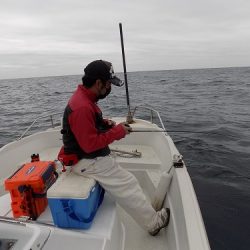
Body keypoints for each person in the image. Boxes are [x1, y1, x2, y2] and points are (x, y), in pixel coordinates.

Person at [58, 59, 170, 236]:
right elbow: (89, 145)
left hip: (87, 156)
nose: (109, 88)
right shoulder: (82, 107)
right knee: (129, 183)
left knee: (125, 178)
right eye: (109, 83)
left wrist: (105, 123)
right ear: (98, 83)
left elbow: (89, 125)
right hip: (86, 160)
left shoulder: (85, 98)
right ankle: (153, 223)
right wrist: (117, 132)